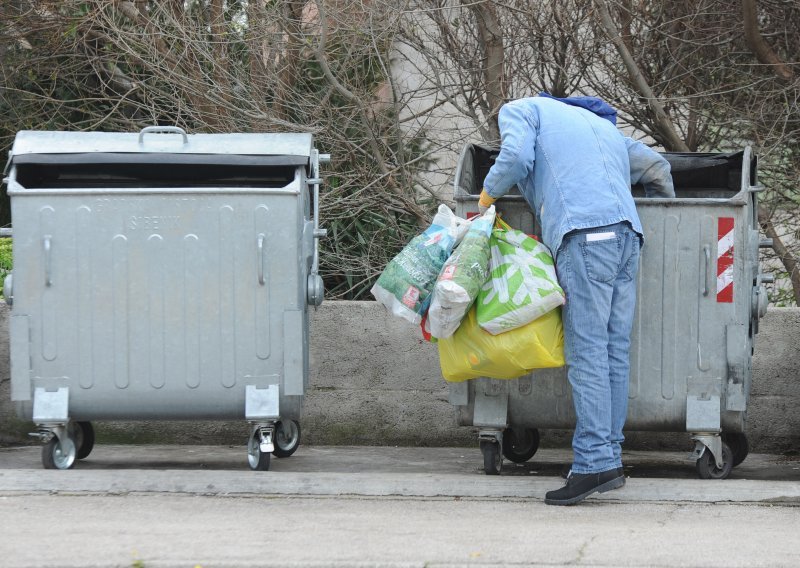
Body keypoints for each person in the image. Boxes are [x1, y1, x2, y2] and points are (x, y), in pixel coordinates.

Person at [478, 93, 675, 506]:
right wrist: (663, 207)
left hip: (584, 235)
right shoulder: (603, 127)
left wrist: (487, 196)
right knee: (613, 351)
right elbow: (657, 167)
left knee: (587, 354)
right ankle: (610, 457)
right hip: (626, 236)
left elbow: (514, 158)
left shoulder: (523, 109)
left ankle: (592, 464)